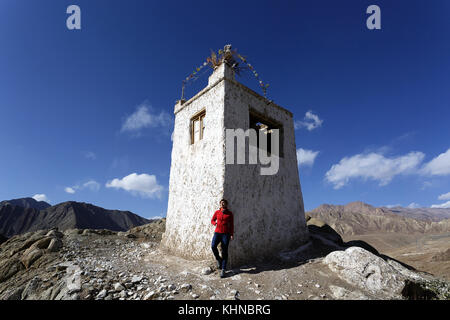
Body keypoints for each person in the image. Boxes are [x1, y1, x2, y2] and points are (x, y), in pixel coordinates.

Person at [211, 199, 234, 278]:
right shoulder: (217, 212)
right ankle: (218, 259)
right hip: (217, 233)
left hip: (225, 234)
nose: (222, 204)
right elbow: (212, 220)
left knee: (224, 251)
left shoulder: (230, 214)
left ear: (226, 204)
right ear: (220, 204)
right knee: (213, 246)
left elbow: (231, 225)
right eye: (221, 203)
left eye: (224, 203)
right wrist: (215, 223)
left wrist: (231, 234)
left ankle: (223, 269)